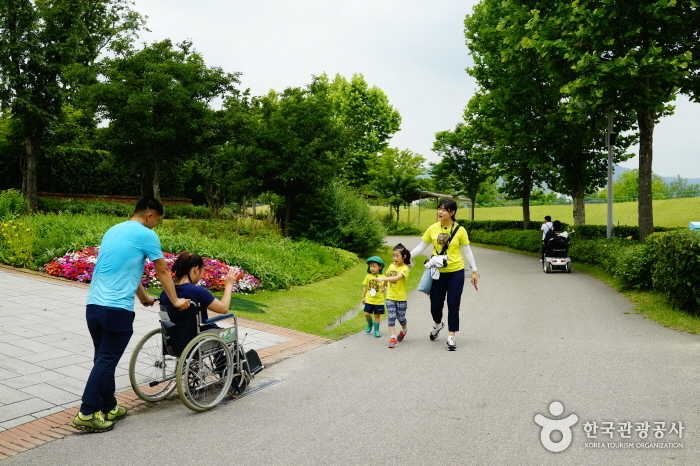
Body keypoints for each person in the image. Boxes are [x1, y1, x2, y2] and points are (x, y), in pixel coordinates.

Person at [72, 197, 190, 433]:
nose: (156, 225)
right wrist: (176, 300)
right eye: (157, 220)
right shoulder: (146, 234)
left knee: (103, 358)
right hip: (116, 309)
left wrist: (144, 298)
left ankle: (109, 406)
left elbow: (127, 270)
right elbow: (163, 269)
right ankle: (86, 412)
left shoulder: (113, 231)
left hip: (93, 307)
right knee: (106, 359)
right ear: (150, 214)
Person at [410, 199, 478, 351]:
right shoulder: (433, 228)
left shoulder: (460, 230)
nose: (440, 212)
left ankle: (451, 335)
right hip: (437, 272)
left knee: (453, 304)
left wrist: (474, 270)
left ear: (452, 212)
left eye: (444, 209)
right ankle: (438, 324)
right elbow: (421, 247)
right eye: (439, 209)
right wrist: (405, 257)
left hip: (456, 272)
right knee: (435, 305)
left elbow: (467, 250)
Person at [158, 252, 240, 353]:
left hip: (172, 342)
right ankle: (224, 367)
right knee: (228, 334)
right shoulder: (197, 291)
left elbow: (165, 319)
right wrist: (229, 285)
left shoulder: (165, 293)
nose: (202, 276)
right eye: (202, 272)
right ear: (195, 269)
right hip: (195, 340)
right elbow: (223, 308)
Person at [376, 244, 411, 349]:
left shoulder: (405, 268)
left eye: (397, 256)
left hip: (401, 299)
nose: (394, 258)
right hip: (390, 297)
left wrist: (383, 280)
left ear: (403, 257)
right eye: (393, 256)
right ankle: (393, 338)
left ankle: (404, 330)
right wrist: (383, 286)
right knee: (391, 317)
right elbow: (388, 276)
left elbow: (397, 278)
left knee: (401, 318)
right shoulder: (391, 266)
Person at [361, 256, 386, 338]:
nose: (372, 268)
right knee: (366, 313)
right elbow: (364, 287)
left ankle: (376, 330)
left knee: (377, 316)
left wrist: (383, 288)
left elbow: (386, 286)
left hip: (379, 301)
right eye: (371, 266)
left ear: (380, 267)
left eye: (374, 266)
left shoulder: (383, 276)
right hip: (369, 299)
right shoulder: (368, 276)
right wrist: (363, 297)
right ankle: (370, 325)